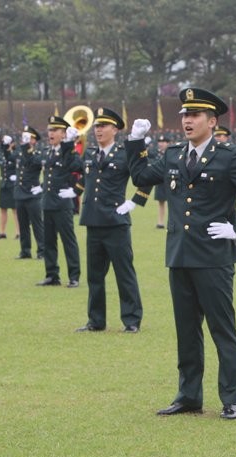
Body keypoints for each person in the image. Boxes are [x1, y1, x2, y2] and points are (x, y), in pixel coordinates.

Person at [126, 87, 236, 420]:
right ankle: (189, 395)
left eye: (194, 116)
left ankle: (231, 398)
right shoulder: (173, 155)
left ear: (212, 120)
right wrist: (136, 143)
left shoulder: (229, 156)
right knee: (186, 331)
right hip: (179, 256)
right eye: (185, 116)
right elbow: (140, 177)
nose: (187, 121)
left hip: (214, 259)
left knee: (223, 329)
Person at [73, 107, 150, 333]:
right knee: (94, 276)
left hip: (116, 222)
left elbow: (145, 177)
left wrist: (134, 201)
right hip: (94, 220)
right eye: (96, 126)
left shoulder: (125, 153)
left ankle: (132, 319)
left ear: (115, 130)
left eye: (103, 126)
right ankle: (96, 321)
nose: (98, 130)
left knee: (124, 273)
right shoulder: (90, 153)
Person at [37, 116, 83, 287]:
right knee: (48, 241)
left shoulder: (68, 152)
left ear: (64, 134)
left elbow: (78, 167)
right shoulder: (48, 151)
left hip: (62, 204)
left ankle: (74, 276)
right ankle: (52, 275)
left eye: (55, 130)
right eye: (49, 130)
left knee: (68, 241)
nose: (51, 133)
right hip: (48, 202)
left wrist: (75, 190)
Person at [14, 127, 45, 259]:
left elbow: (34, 162)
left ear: (34, 140)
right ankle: (25, 251)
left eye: (29, 138)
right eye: (25, 137)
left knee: (37, 225)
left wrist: (27, 149)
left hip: (32, 194)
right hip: (20, 193)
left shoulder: (38, 153)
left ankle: (42, 251)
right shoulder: (20, 152)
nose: (26, 140)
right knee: (23, 225)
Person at [151, 135, 171, 229]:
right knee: (161, 202)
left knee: (173, 203)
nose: (161, 144)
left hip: (171, 181)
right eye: (160, 142)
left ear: (168, 143)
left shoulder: (171, 153)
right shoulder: (156, 154)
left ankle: (171, 222)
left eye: (163, 142)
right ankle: (160, 222)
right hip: (160, 181)